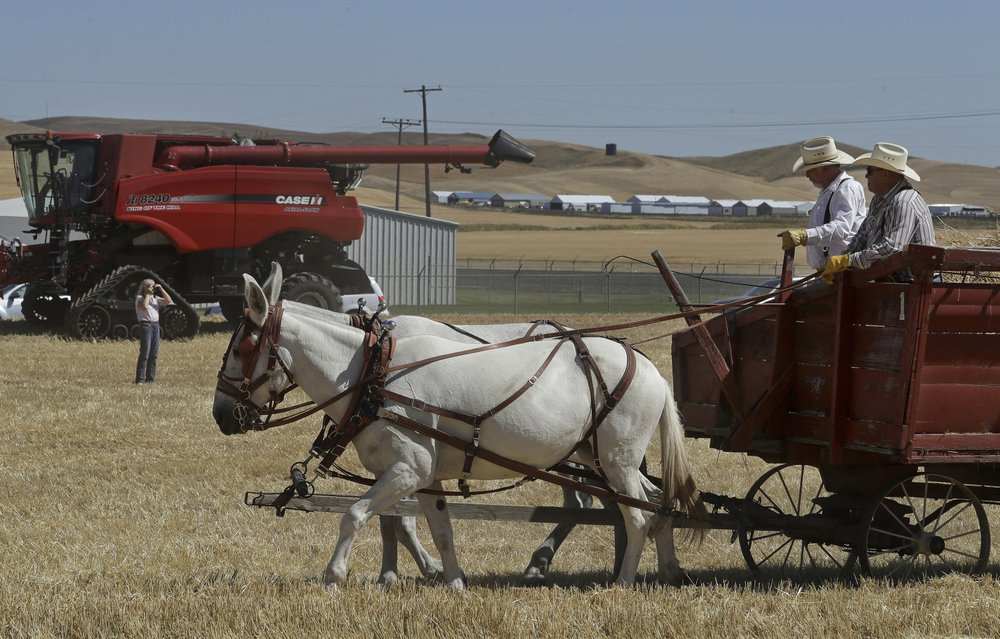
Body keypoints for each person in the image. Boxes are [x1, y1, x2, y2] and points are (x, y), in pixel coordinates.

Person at [821, 142, 936, 283]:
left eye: (869, 171)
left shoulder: (903, 201)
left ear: (885, 175)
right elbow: (862, 235)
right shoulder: (879, 200)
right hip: (887, 281)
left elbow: (892, 247)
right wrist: (842, 262)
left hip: (909, 284)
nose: (866, 176)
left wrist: (849, 261)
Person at [778, 136, 867, 269]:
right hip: (831, 270)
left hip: (843, 271)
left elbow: (842, 227)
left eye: (811, 170)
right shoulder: (830, 191)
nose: (807, 175)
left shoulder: (847, 188)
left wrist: (805, 235)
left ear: (826, 168)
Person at [135, 278, 172, 383]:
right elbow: (145, 307)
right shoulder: (140, 298)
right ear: (144, 288)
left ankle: (150, 379)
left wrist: (161, 289)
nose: (152, 288)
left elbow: (168, 301)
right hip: (146, 325)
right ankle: (140, 379)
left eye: (153, 286)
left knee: (154, 354)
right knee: (145, 353)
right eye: (150, 286)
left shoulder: (155, 299)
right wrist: (147, 294)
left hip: (156, 325)